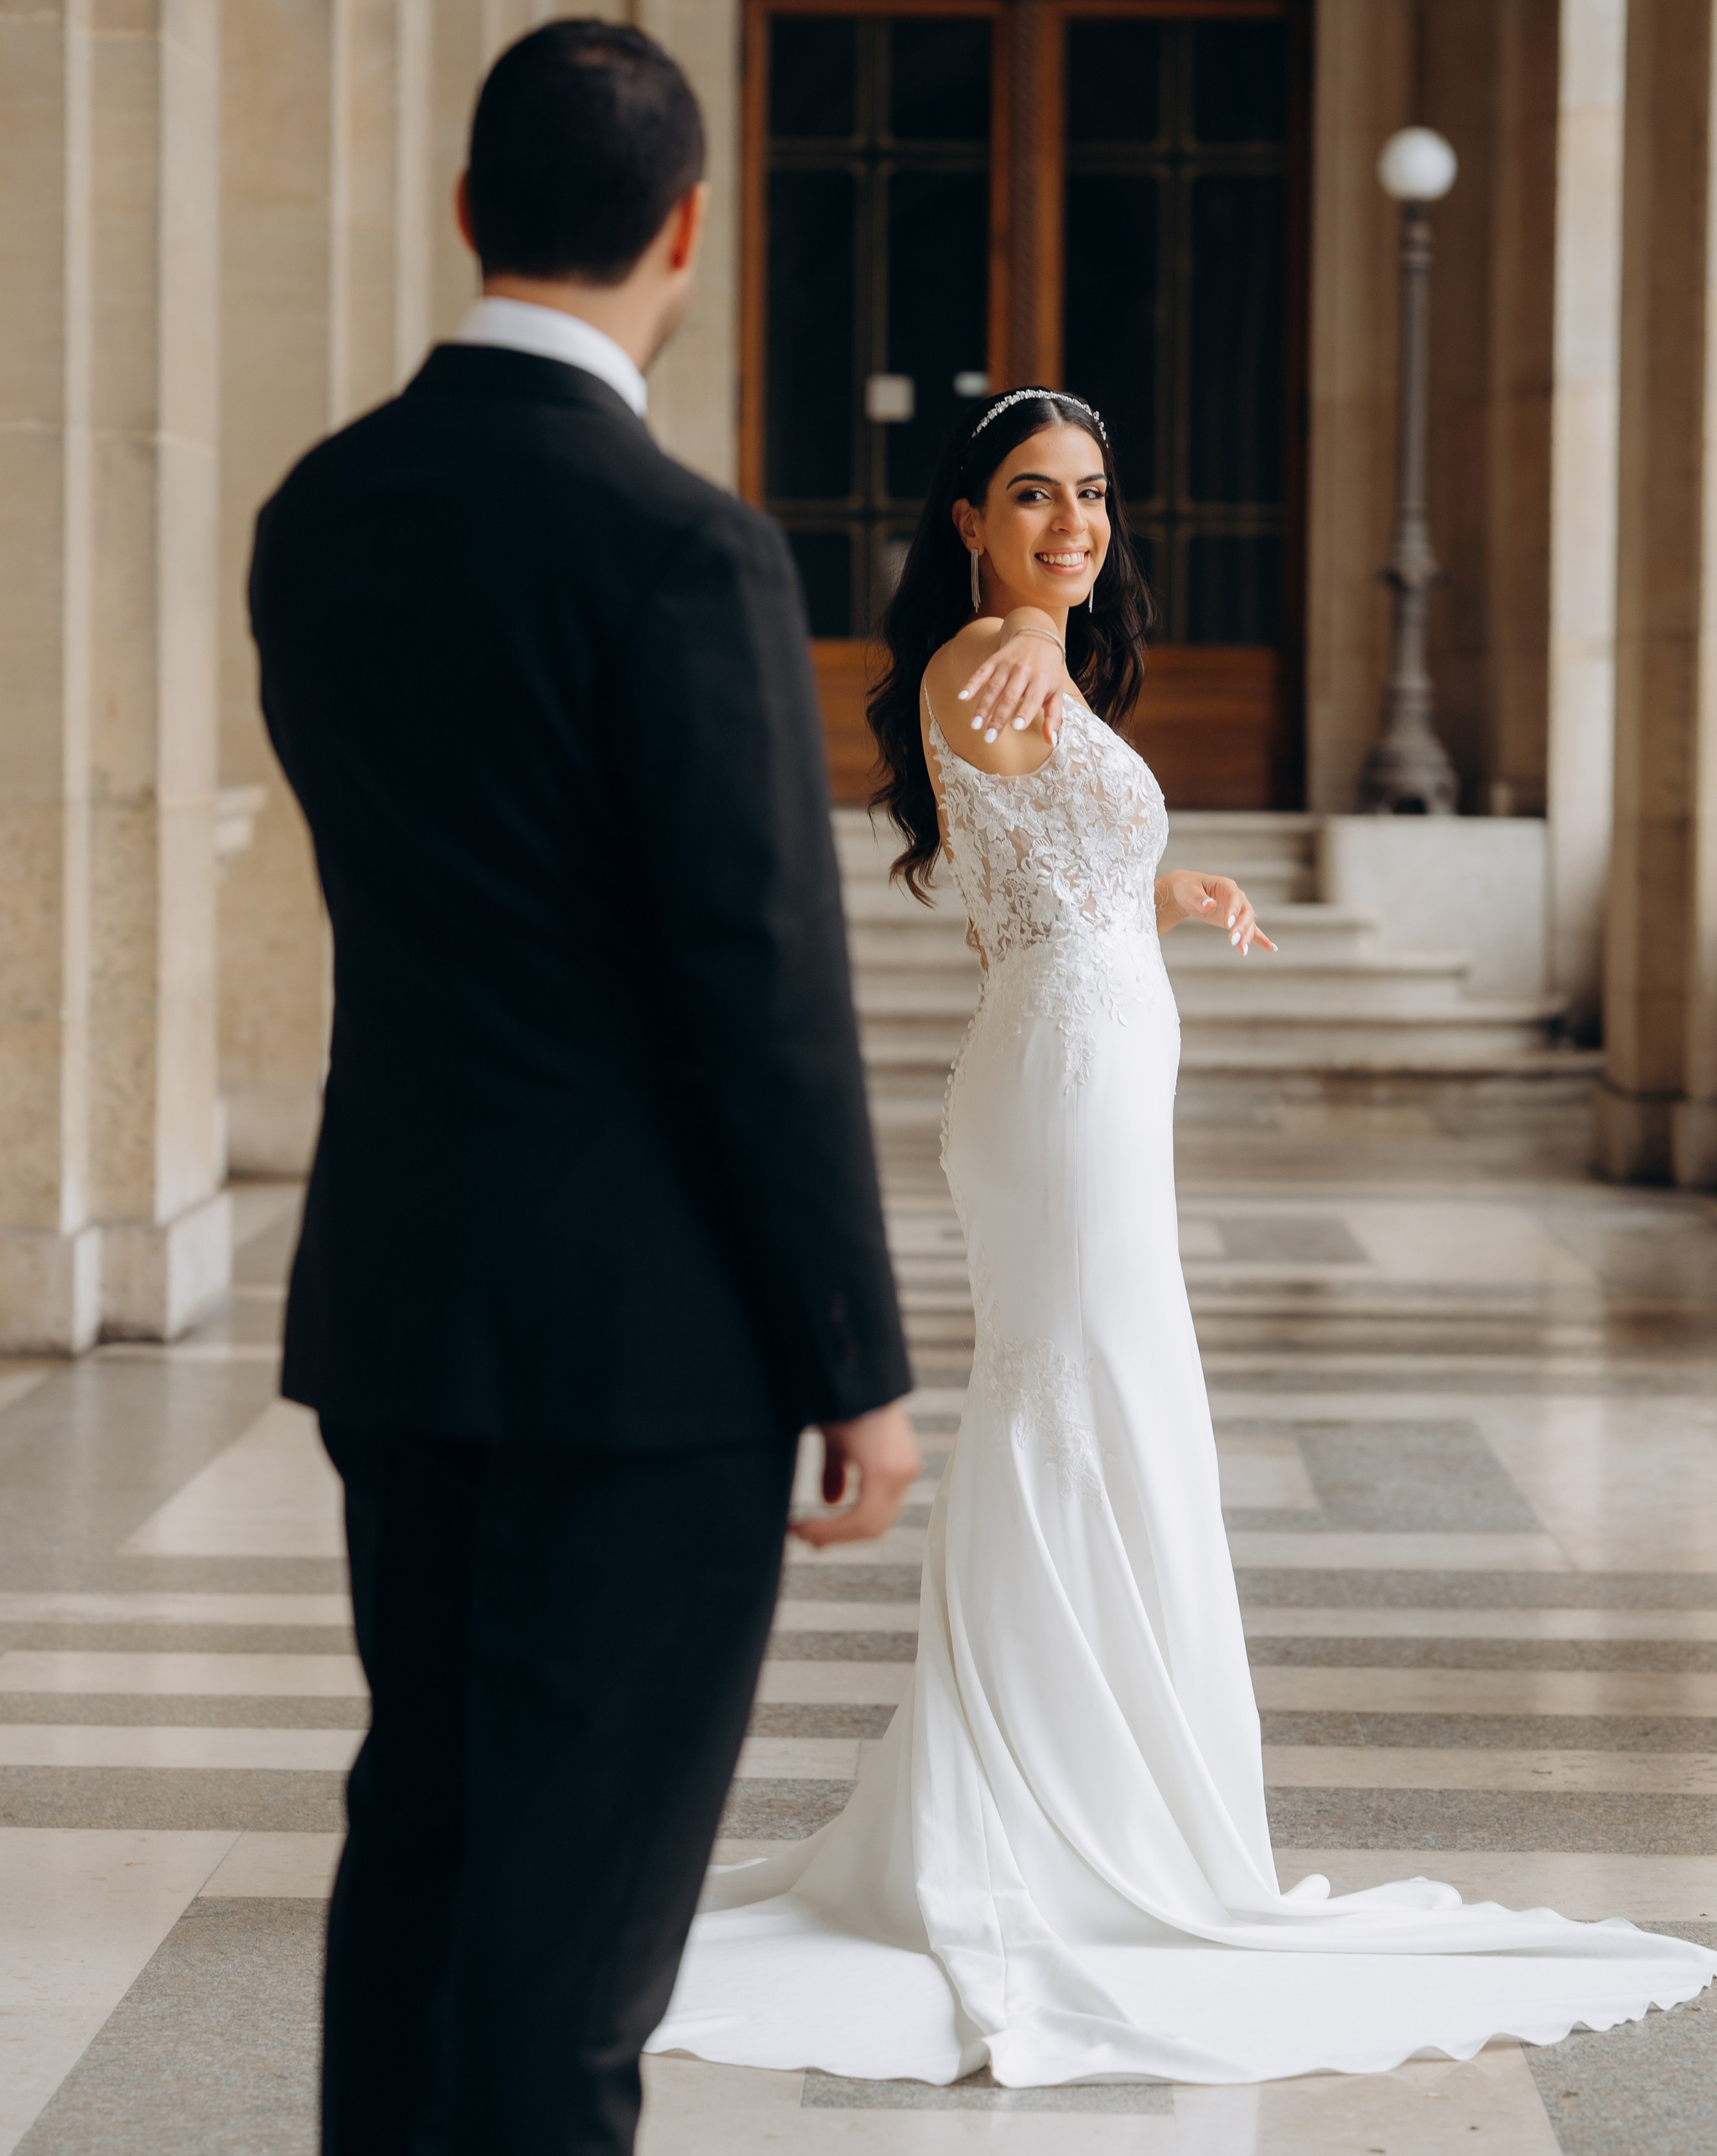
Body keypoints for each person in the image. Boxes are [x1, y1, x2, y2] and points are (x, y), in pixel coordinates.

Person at [648, 386, 1717, 2086]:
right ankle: (1039, 1822)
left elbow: (1036, 848)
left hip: (1077, 1058)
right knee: (1074, 1406)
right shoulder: (991, 654)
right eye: (1029, 498)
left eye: (1088, 495)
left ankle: (1094, 1793)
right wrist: (1006, 646)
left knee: (1102, 1409)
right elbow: (989, 740)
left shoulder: (1037, 665)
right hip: (1055, 1088)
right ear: (969, 523)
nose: (1071, 524)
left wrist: (1169, 885)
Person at [248, 17, 919, 2156]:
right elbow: (760, 988)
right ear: (689, 233)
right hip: (649, 1350)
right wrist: (856, 1358)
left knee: (426, 1846)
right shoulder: (687, 549)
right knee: (578, 1950)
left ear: (467, 210)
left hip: (404, 1297)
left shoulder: (318, 512)